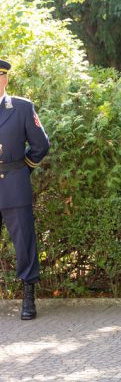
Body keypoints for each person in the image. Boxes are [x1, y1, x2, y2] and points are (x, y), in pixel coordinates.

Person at [0, 59, 50, 320]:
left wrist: (22, 170)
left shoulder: (21, 107)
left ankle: (28, 298)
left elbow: (41, 145)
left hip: (14, 185)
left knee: (24, 243)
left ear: (5, 79)